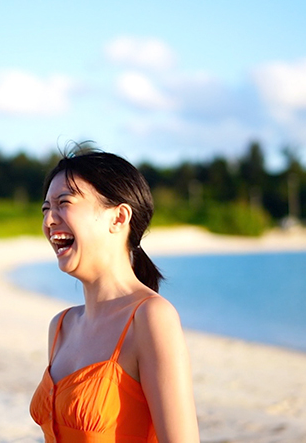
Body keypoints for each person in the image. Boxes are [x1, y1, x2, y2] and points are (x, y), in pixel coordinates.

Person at [29, 148, 200, 442]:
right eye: (46, 209)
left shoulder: (151, 317)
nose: (49, 221)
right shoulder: (61, 327)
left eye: (63, 203)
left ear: (119, 218)